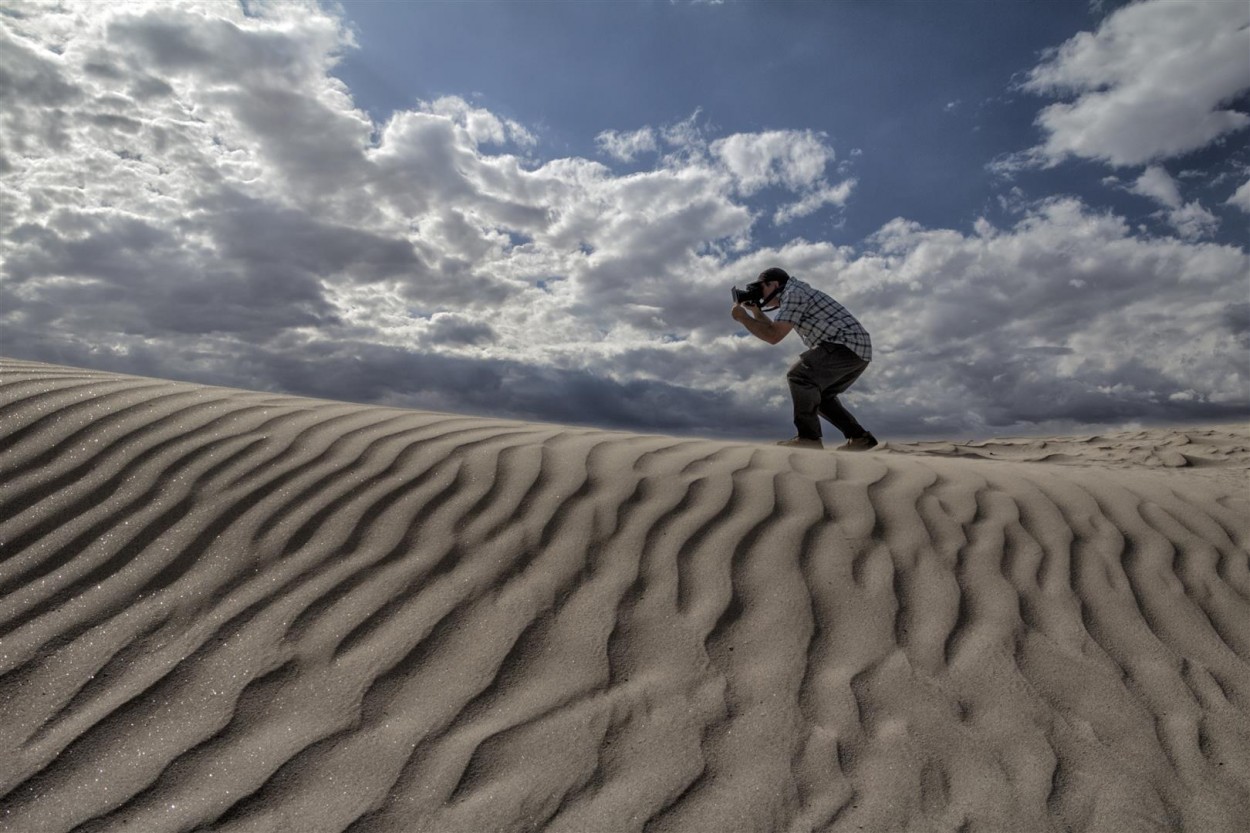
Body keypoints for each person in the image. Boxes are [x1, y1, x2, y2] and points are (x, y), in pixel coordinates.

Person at [731, 267, 878, 451]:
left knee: (799, 376)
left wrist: (743, 318)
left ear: (774, 284)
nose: (760, 294)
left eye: (761, 288)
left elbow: (773, 336)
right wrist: (756, 312)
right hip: (857, 350)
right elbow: (774, 327)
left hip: (844, 345)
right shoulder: (795, 292)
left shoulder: (793, 294)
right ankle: (859, 437)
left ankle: (809, 438)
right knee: (821, 397)